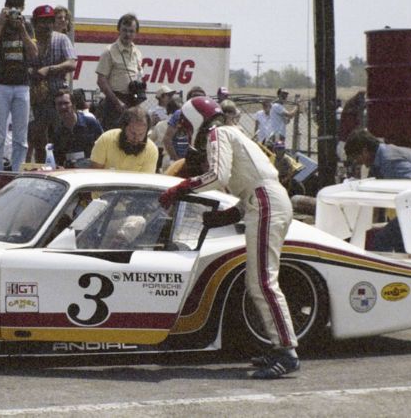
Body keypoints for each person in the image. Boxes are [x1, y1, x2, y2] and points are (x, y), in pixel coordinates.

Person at [159, 97, 300, 379]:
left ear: (197, 120)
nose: (188, 134)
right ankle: (279, 346)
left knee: (262, 281)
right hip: (264, 199)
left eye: (187, 127)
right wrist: (232, 213)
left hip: (264, 201)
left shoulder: (218, 133)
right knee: (260, 280)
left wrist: (181, 188)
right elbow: (251, 180)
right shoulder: (231, 131)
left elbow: (216, 175)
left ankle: (286, 350)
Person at [344, 128, 411, 252]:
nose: (357, 163)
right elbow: (373, 200)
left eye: (356, 158)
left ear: (365, 151)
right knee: (400, 243)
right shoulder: (379, 160)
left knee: (381, 240)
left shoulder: (389, 160)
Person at [0, 0, 38, 172]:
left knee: (20, 136)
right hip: (1, 84)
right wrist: (0, 25)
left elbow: (33, 53)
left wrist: (22, 30)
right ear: (5, 6)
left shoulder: (27, 25)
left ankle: (17, 170)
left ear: (23, 8)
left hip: (22, 85)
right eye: (11, 6)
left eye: (18, 7)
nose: (14, 11)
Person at [27, 5, 77, 164]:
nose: (47, 25)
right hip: (36, 100)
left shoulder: (61, 39)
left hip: (58, 98)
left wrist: (49, 69)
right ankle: (40, 170)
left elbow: (72, 63)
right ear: (35, 23)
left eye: (50, 21)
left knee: (61, 138)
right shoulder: (29, 42)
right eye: (43, 21)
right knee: (37, 140)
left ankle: (62, 169)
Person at [95, 13, 144, 130]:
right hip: (114, 102)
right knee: (113, 138)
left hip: (133, 101)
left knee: (132, 137)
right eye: (124, 30)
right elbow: (101, 81)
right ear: (119, 30)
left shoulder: (138, 52)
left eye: (131, 31)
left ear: (136, 32)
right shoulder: (109, 51)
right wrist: (117, 103)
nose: (127, 34)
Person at [90, 107, 158, 173]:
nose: (136, 139)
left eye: (141, 134)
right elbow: (96, 172)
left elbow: (145, 181)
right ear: (123, 127)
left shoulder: (151, 150)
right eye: (132, 133)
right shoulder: (106, 139)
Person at [51, 87, 103, 167]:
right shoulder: (57, 132)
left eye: (66, 103)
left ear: (74, 104)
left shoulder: (90, 123)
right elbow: (58, 160)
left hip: (92, 170)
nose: (63, 107)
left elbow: (104, 146)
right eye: (59, 104)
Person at [163, 86, 206, 164]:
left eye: (201, 98)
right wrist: (177, 160)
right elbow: (167, 139)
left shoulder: (207, 116)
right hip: (180, 160)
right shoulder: (179, 114)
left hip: (199, 162)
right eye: (195, 98)